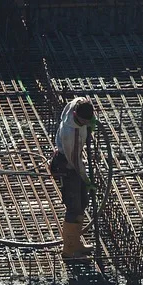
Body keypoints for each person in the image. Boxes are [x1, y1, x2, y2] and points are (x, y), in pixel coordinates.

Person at [51, 97, 98, 260]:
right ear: (77, 115)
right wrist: (86, 180)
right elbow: (75, 162)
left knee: (83, 202)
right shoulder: (71, 133)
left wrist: (92, 121)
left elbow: (84, 99)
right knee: (74, 207)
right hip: (68, 167)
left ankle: (76, 242)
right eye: (84, 121)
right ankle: (69, 250)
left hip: (75, 162)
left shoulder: (77, 102)